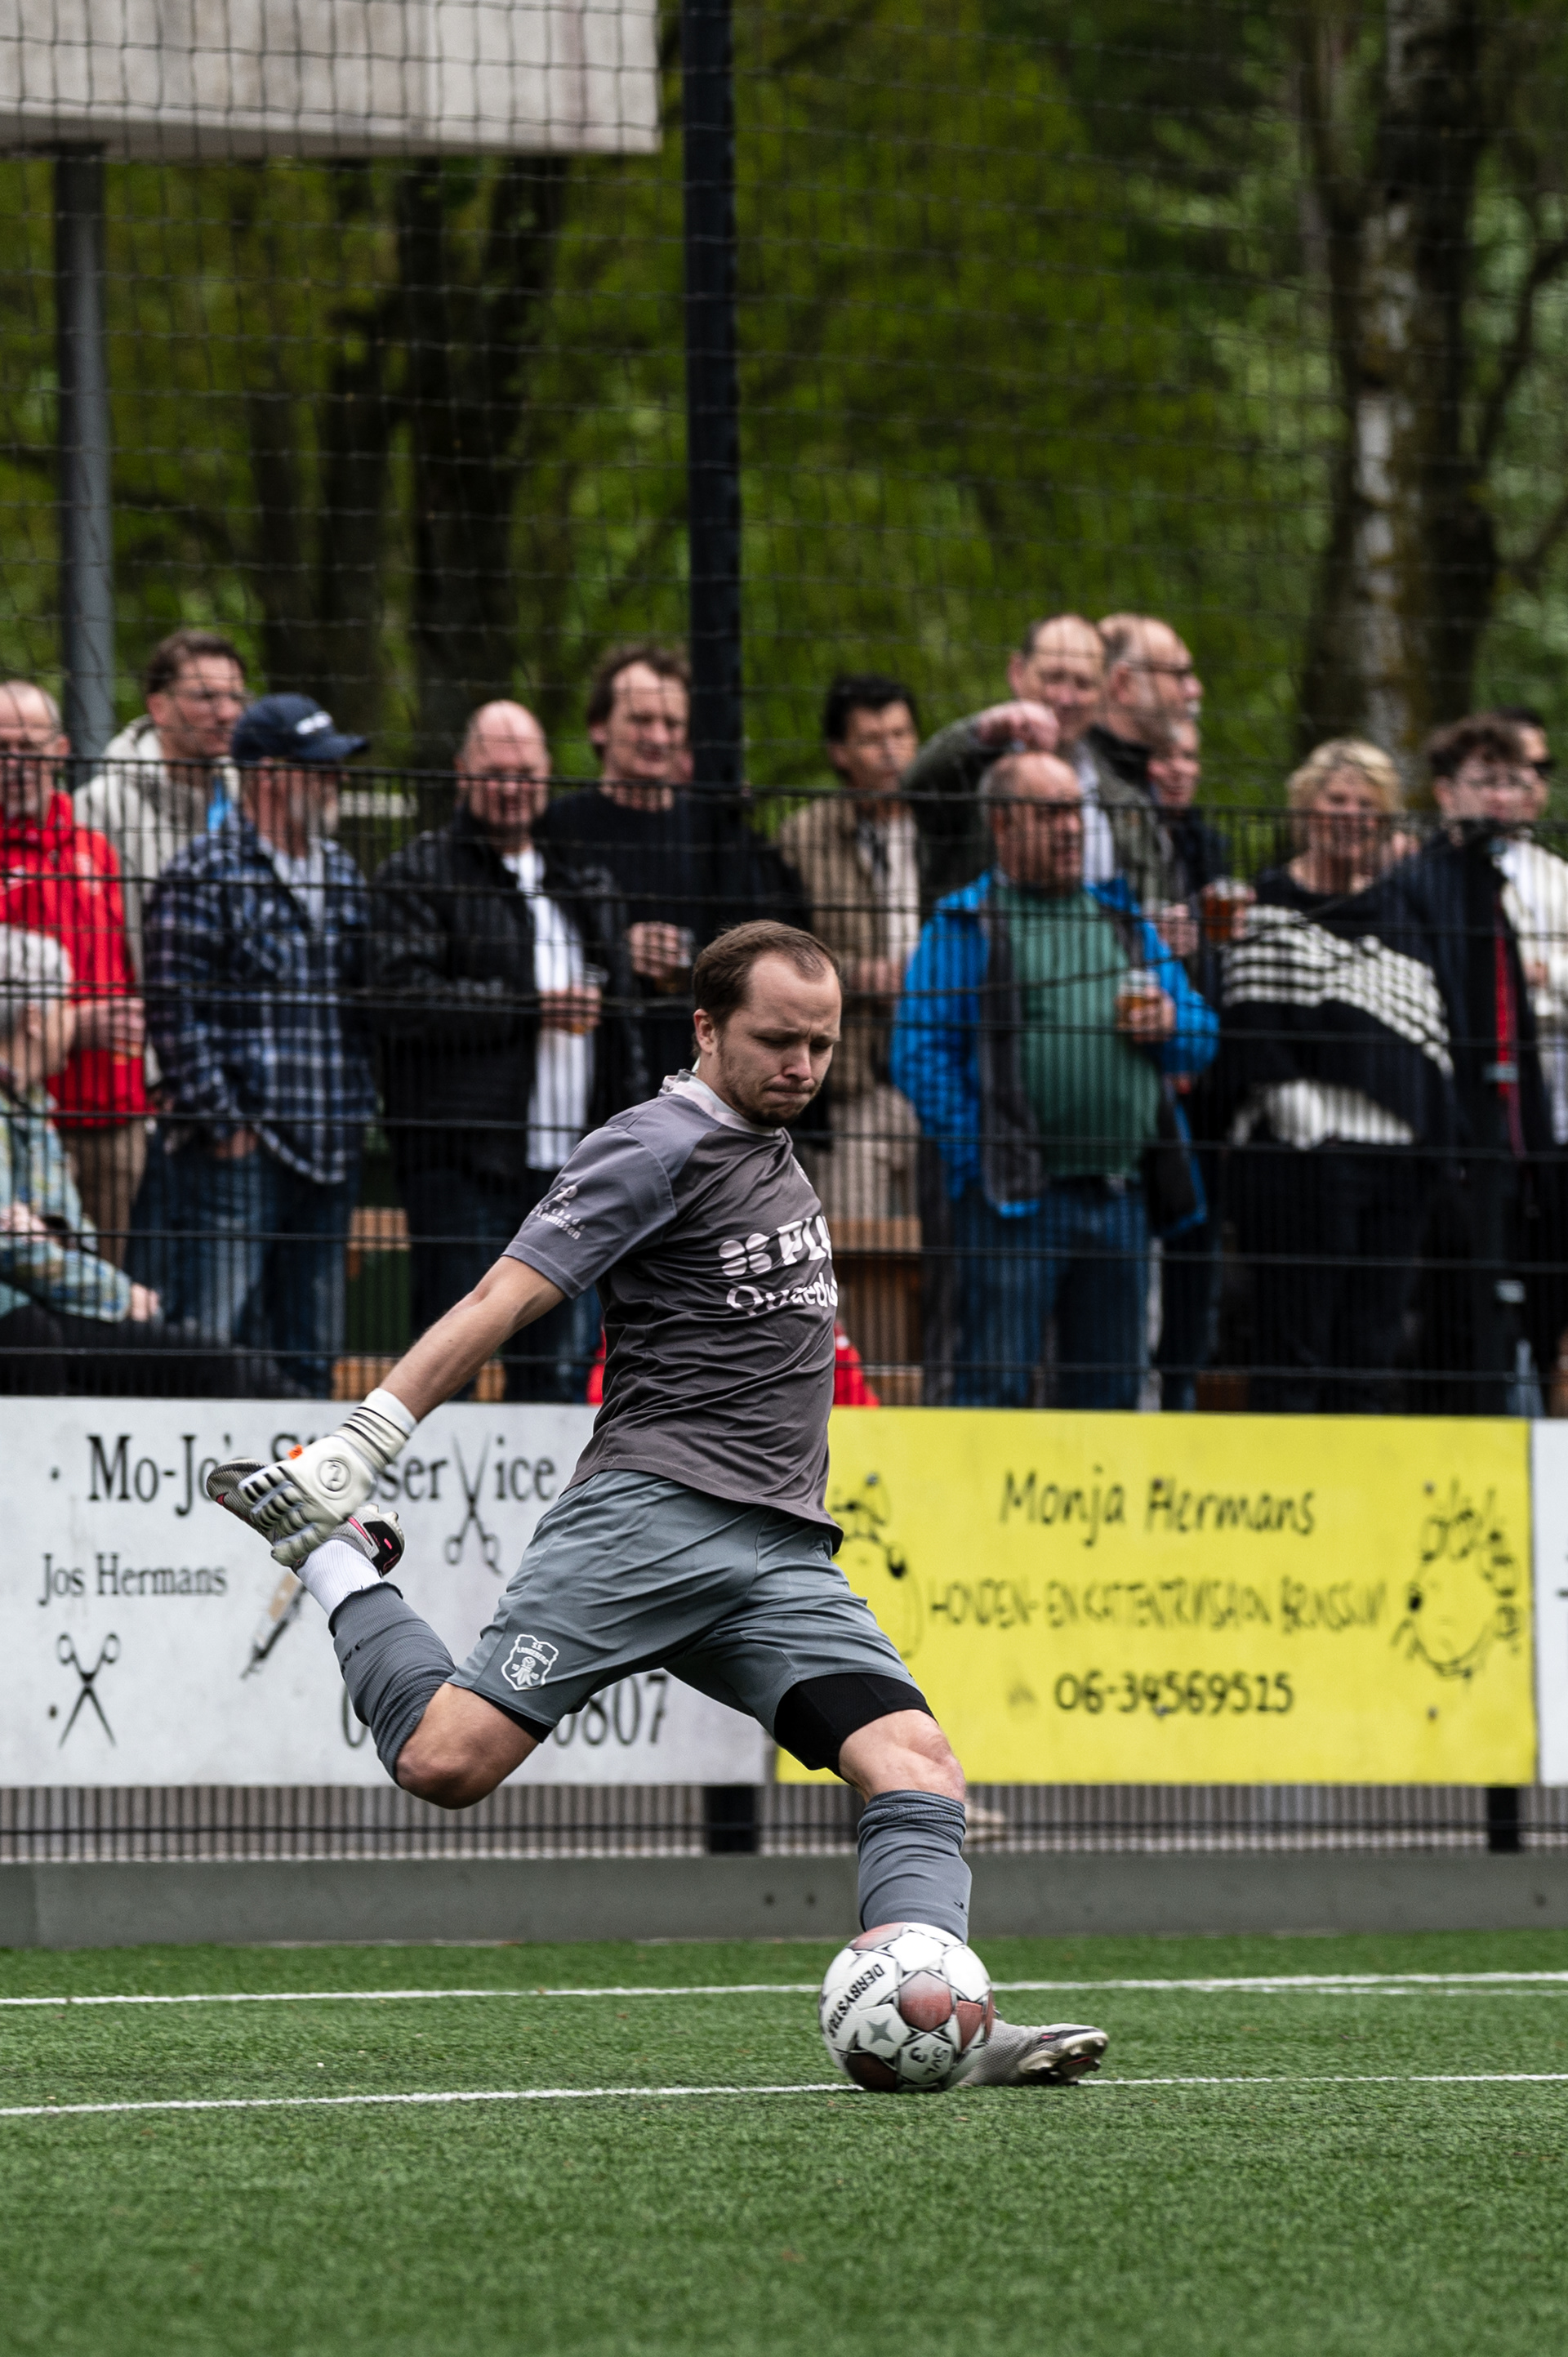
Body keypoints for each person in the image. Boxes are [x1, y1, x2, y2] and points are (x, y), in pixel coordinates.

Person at [206, 919, 1108, 2090]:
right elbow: (497, 1298)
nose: (802, 1065)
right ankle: (336, 1556)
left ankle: (951, 2020)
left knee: (917, 1763)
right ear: (706, 1029)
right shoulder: (651, 1144)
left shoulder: (772, 1146)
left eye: (822, 1044)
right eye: (776, 1040)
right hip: (648, 1523)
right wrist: (367, 1435)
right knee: (444, 1762)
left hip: (779, 1555)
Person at [890, 753, 1217, 1409]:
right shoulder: (965, 923)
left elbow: (1201, 1036)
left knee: (1110, 1398)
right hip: (1013, 1202)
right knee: (995, 1388)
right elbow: (918, 1054)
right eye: (1050, 813)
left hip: (1120, 1197)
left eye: (1075, 811)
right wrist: (982, 1155)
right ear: (1003, 824)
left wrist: (1171, 1022)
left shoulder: (1122, 921)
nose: (1071, 828)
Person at [371, 699, 646, 1400]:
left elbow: (625, 1024)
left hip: (573, 1170)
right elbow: (403, 1001)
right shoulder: (419, 873)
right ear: (463, 773)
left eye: (525, 772)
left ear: (547, 774)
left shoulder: (582, 879)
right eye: (496, 772)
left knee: (557, 1368)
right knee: (448, 1358)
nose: (512, 787)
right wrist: (532, 1007)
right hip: (465, 1163)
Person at [1220, 737, 1484, 1414]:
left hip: (1399, 1166)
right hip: (1298, 1163)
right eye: (1336, 799)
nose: (1351, 816)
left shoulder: (1406, 913)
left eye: (1368, 805)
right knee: (1293, 1352)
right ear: (1305, 808)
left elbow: (1429, 1030)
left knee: (1369, 1354)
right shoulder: (1264, 907)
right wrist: (1313, 1132)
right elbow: (1253, 1035)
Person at [144, 693, 375, 1396]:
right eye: (320, 769)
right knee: (211, 1346)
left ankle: (301, 1471)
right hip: (239, 1153)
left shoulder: (343, 873)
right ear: (270, 774)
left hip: (331, 1148)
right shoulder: (203, 872)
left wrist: (357, 1111)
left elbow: (365, 1006)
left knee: (312, 1357)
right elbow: (172, 1009)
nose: (336, 782)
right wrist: (225, 1125)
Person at [0, 928, 231, 1395]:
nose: (72, 1019)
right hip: (31, 1316)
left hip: (51, 1304)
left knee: (213, 1363)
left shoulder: (33, 1104)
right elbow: (12, 1245)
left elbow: (74, 1239)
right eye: (65, 1004)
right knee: (205, 1366)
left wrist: (46, 1233)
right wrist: (119, 1294)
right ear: (33, 1019)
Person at [0, 680, 148, 1263]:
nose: (16, 764)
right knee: (27, 1280)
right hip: (19, 1115)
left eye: (30, 748)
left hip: (113, 1115)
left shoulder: (95, 848)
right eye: (2, 749)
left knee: (102, 1281)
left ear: (60, 751)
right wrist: (73, 1026)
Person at [777, 675, 923, 1219]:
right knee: (854, 1245)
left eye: (901, 734)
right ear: (840, 752)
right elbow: (779, 950)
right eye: (871, 739)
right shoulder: (804, 837)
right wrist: (856, 976)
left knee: (943, 1253)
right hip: (851, 1081)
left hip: (941, 1073)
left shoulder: (945, 833)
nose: (890, 752)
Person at [74, 627, 247, 977]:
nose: (228, 712)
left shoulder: (250, 799)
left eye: (236, 697)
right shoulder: (102, 805)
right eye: (206, 697)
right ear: (159, 707)